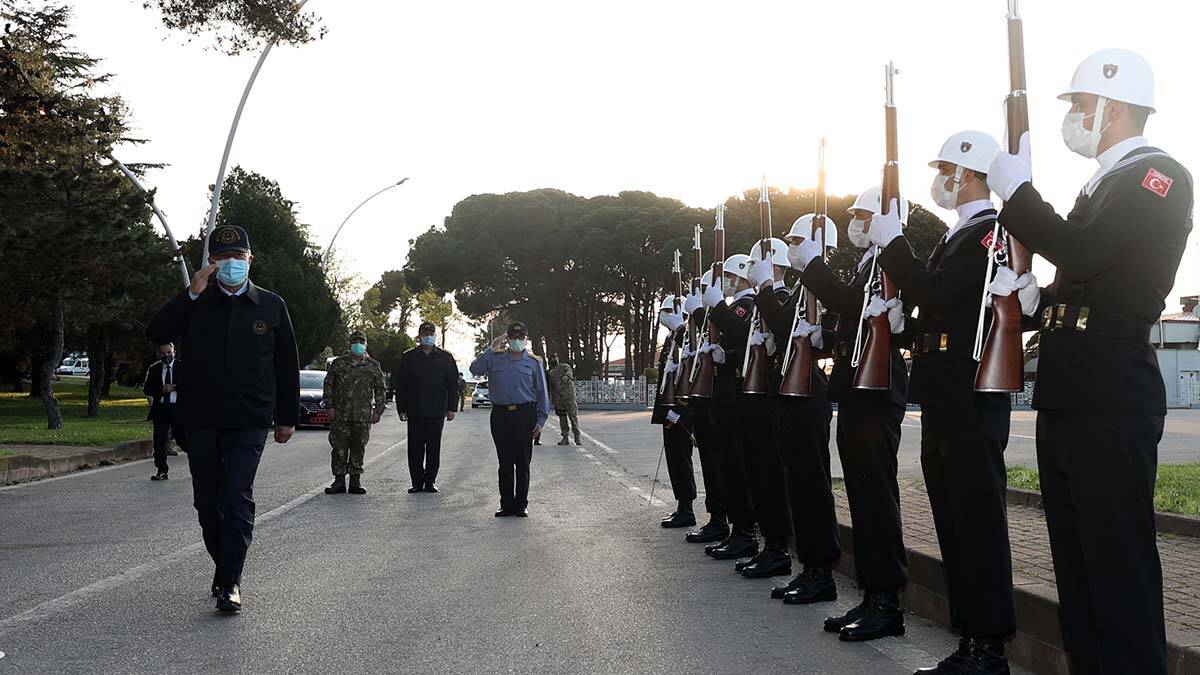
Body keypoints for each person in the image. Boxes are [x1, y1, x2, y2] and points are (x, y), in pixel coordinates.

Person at [987, 49, 1191, 675]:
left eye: (1080, 104)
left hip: (1111, 392)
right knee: (1077, 571)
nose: (1073, 115)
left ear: (1113, 106)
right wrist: (1037, 300)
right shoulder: (1101, 182)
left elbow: (1083, 251)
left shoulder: (1159, 176)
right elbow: (1082, 281)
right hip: (1071, 390)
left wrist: (1018, 194)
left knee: (1118, 570)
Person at [868, 131, 1015, 673]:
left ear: (969, 174)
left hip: (970, 393)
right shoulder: (960, 234)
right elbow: (940, 311)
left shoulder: (990, 232)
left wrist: (895, 247)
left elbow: (938, 294)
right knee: (953, 521)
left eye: (946, 170)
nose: (940, 179)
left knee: (977, 522)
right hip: (945, 391)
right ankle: (970, 639)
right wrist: (906, 328)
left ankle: (989, 646)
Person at [146, 224, 299, 613]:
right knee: (207, 503)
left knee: (235, 498)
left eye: (238, 256)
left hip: (249, 421)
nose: (232, 263)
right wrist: (190, 294)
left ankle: (231, 581)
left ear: (250, 260)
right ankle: (223, 567)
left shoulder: (271, 306)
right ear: (211, 263)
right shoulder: (197, 302)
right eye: (223, 257)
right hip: (201, 419)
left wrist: (285, 417)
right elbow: (157, 331)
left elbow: (286, 366)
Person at [789, 187, 910, 642]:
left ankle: (887, 601)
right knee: (862, 498)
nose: (857, 223)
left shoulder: (890, 261)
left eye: (864, 215)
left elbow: (853, 305)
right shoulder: (869, 263)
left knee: (877, 499)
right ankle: (872, 594)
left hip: (878, 390)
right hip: (858, 388)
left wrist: (815, 269)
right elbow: (852, 317)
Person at [754, 217, 842, 607]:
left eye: (797, 241)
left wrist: (765, 290)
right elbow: (784, 326)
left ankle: (822, 571)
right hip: (790, 395)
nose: (791, 248)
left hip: (809, 396)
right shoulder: (800, 291)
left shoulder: (825, 286)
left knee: (813, 487)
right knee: (800, 488)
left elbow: (820, 328)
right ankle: (809, 566)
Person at [707, 241, 794, 580]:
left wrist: (715, 309)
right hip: (750, 398)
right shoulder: (759, 302)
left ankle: (770, 544)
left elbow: (741, 331)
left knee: (768, 476)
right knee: (752, 473)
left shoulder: (778, 298)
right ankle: (758, 540)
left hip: (766, 399)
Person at [696, 253, 761, 564]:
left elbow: (739, 332)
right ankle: (737, 530)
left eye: (729, 278)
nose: (727, 283)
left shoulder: (747, 304)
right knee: (727, 467)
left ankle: (744, 532)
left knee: (737, 468)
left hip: (736, 398)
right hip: (725, 397)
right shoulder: (739, 305)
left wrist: (717, 308)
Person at [469, 321, 550, 517]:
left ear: (526, 339)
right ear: (507, 338)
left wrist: (541, 421)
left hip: (525, 414)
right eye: (513, 337)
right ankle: (506, 504)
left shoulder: (533, 362)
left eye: (520, 337)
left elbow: (542, 392)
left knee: (522, 462)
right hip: (501, 415)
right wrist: (491, 349)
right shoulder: (495, 358)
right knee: (504, 462)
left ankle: (521, 504)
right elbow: (475, 369)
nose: (517, 341)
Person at [679, 271, 729, 545]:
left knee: (722, 466)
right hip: (707, 400)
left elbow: (729, 334)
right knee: (710, 464)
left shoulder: (738, 308)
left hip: (724, 401)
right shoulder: (716, 315)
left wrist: (701, 312)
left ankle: (728, 523)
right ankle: (717, 519)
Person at [394, 321, 459, 493]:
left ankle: (430, 481)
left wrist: (452, 408)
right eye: (425, 333)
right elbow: (401, 384)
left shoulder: (446, 358)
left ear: (435, 335)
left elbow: (453, 384)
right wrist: (401, 408)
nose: (428, 336)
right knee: (415, 448)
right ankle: (416, 482)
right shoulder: (409, 357)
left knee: (433, 448)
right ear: (419, 336)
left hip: (436, 410)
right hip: (415, 409)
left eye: (431, 333)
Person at [651, 295, 696, 528]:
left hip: (680, 413)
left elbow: (688, 377)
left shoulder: (685, 338)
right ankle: (682, 505)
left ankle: (687, 509)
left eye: (668, 312)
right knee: (674, 460)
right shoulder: (671, 339)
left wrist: (680, 409)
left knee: (681, 460)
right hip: (669, 411)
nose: (664, 316)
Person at [323, 329, 387, 496]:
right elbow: (328, 384)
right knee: (339, 447)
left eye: (361, 342)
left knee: (358, 446)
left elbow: (380, 389)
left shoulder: (373, 365)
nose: (357, 344)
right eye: (355, 342)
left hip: (362, 415)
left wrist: (378, 410)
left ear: (365, 344)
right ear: (350, 344)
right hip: (340, 414)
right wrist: (329, 406)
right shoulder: (338, 363)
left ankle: (355, 481)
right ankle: (338, 481)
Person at [143, 342, 184, 481]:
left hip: (178, 408)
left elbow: (192, 385)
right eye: (163, 353)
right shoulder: (155, 369)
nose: (166, 356)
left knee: (183, 439)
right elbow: (147, 389)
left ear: (174, 352)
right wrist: (161, 390)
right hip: (161, 409)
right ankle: (161, 470)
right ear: (158, 354)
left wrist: (175, 387)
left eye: (169, 353)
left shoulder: (182, 367)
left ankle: (196, 466)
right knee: (159, 440)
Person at [547, 353, 581, 445]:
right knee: (562, 419)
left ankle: (577, 436)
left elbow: (569, 373)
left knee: (573, 417)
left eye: (554, 358)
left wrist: (566, 376)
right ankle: (565, 437)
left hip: (569, 397)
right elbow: (550, 387)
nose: (553, 360)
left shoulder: (565, 367)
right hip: (558, 399)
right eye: (551, 358)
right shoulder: (550, 373)